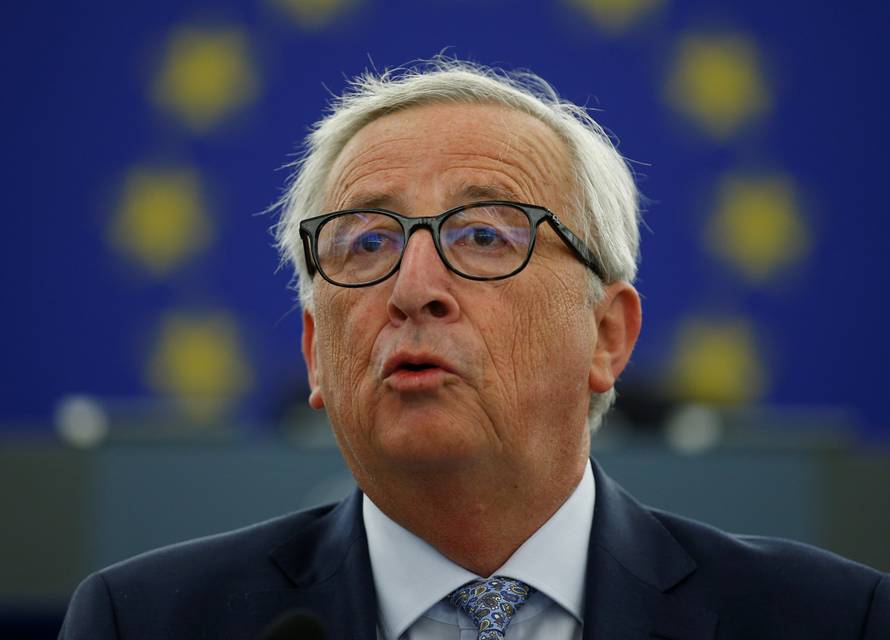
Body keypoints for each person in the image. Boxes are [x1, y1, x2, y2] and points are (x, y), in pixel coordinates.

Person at [60, 59, 888, 639]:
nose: (413, 286)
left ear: (607, 337)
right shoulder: (145, 621)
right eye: (365, 242)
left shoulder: (830, 618)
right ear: (315, 352)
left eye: (486, 234)